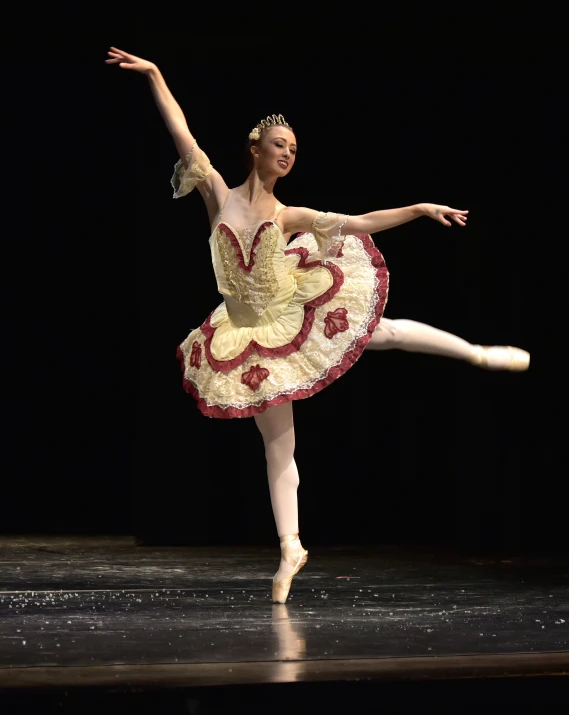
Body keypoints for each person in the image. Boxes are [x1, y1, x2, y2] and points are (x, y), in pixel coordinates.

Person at [106, 48, 530, 603]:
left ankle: (476, 353)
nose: (288, 154)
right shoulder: (215, 190)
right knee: (277, 446)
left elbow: (359, 222)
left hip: (292, 312)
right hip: (244, 331)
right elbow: (179, 129)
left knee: (387, 332)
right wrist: (157, 75)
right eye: (280, 145)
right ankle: (291, 549)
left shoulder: (288, 216)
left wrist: (419, 209)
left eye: (295, 150)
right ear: (254, 148)